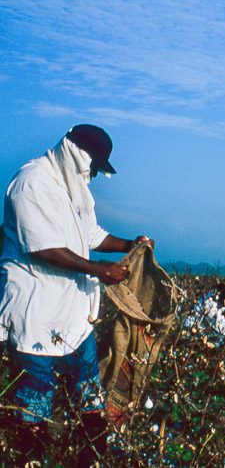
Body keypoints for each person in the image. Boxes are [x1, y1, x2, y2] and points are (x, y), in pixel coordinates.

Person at [0, 125, 154, 463]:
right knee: (34, 400)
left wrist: (130, 245)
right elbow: (43, 249)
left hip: (72, 314)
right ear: (78, 154)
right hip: (36, 310)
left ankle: (90, 457)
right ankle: (30, 457)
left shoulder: (73, 189)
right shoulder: (32, 183)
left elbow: (92, 234)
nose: (95, 175)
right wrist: (99, 270)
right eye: (95, 167)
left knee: (89, 396)